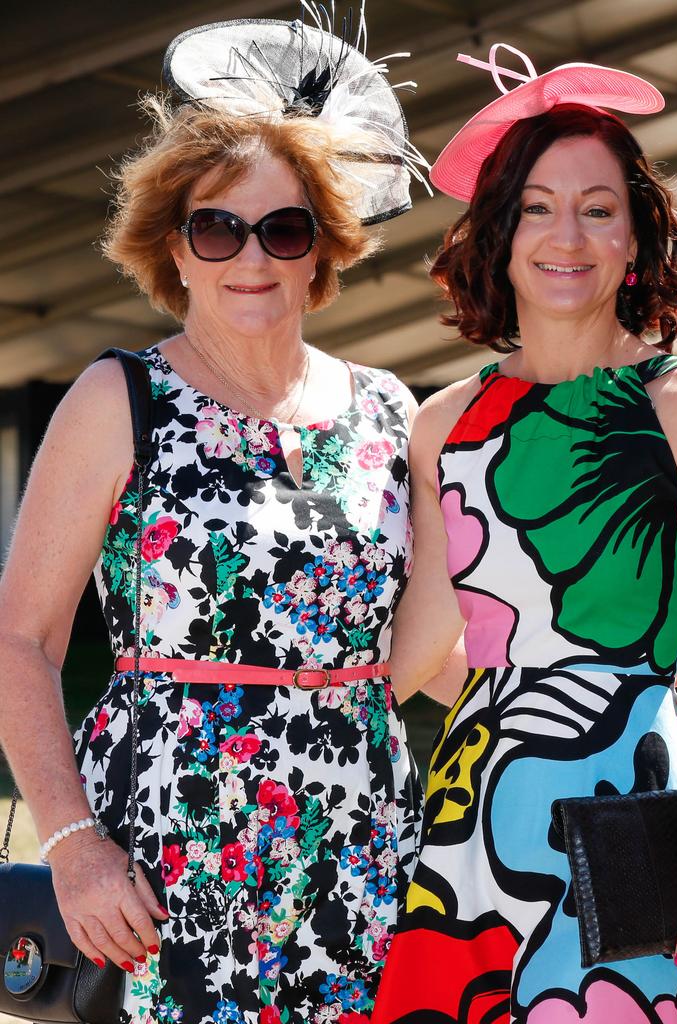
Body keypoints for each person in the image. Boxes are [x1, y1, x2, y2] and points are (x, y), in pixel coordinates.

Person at [0, 13, 433, 1023]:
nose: (252, 255)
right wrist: (71, 847)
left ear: (322, 248)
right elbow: (21, 639)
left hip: (366, 851)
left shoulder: (388, 412)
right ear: (174, 248)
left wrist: (602, 687)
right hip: (164, 864)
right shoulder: (119, 400)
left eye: (283, 228)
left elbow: (433, 646)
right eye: (217, 227)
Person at [375, 46, 677, 1024]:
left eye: (598, 207)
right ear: (499, 237)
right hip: (468, 824)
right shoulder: (442, 422)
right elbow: (427, 648)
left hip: (633, 813)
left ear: (637, 238)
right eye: (537, 208)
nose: (568, 235)